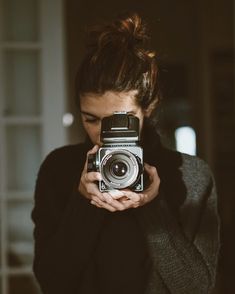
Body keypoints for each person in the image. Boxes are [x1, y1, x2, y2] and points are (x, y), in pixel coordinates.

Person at [31, 12, 220, 294]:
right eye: (91, 119)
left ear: (149, 107)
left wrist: (153, 206)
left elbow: (197, 289)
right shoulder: (60, 169)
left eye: (120, 120)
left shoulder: (192, 176)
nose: (104, 133)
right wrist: (83, 203)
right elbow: (52, 282)